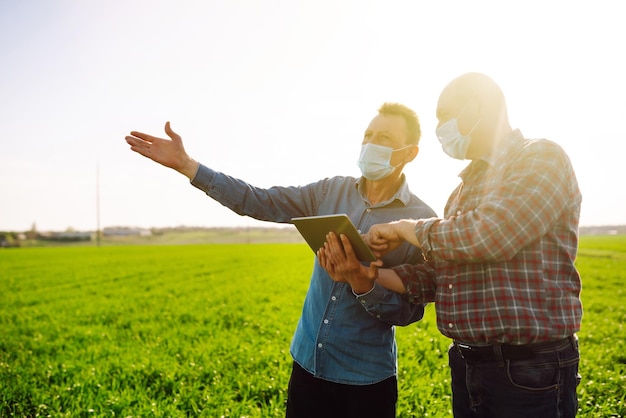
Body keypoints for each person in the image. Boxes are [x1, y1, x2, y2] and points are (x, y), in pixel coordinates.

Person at [125, 102, 437, 418]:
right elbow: (258, 200)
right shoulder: (330, 191)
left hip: (365, 382)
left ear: (409, 153)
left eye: (384, 138)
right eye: (368, 134)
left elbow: (409, 311)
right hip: (306, 365)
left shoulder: (419, 221)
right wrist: (188, 165)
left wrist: (360, 280)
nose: (371, 143)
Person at [318, 73, 583, 418]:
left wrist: (404, 228)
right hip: (468, 364)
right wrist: (365, 272)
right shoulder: (460, 192)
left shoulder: (539, 158)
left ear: (480, 107)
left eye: (446, 116)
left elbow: (491, 234)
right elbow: (435, 278)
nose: (441, 128)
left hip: (529, 368)